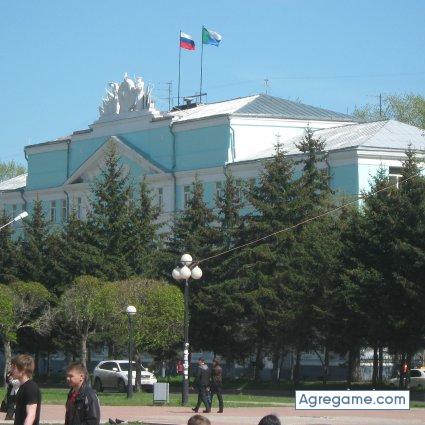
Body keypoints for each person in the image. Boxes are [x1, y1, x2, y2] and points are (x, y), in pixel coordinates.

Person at [10, 354, 41, 425]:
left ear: (23, 369)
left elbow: (31, 415)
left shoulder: (30, 388)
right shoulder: (22, 387)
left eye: (14, 368)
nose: (11, 370)